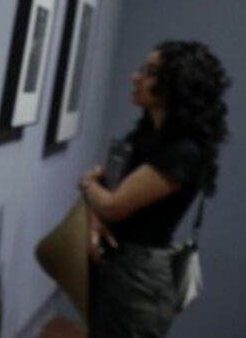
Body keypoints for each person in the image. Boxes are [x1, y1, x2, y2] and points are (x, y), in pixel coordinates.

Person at [76, 41, 230, 337]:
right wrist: (95, 217)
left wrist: (85, 183)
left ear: (177, 86)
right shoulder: (146, 139)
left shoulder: (183, 151)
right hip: (120, 265)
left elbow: (112, 205)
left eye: (150, 72)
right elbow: (105, 198)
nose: (136, 77)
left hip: (137, 274)